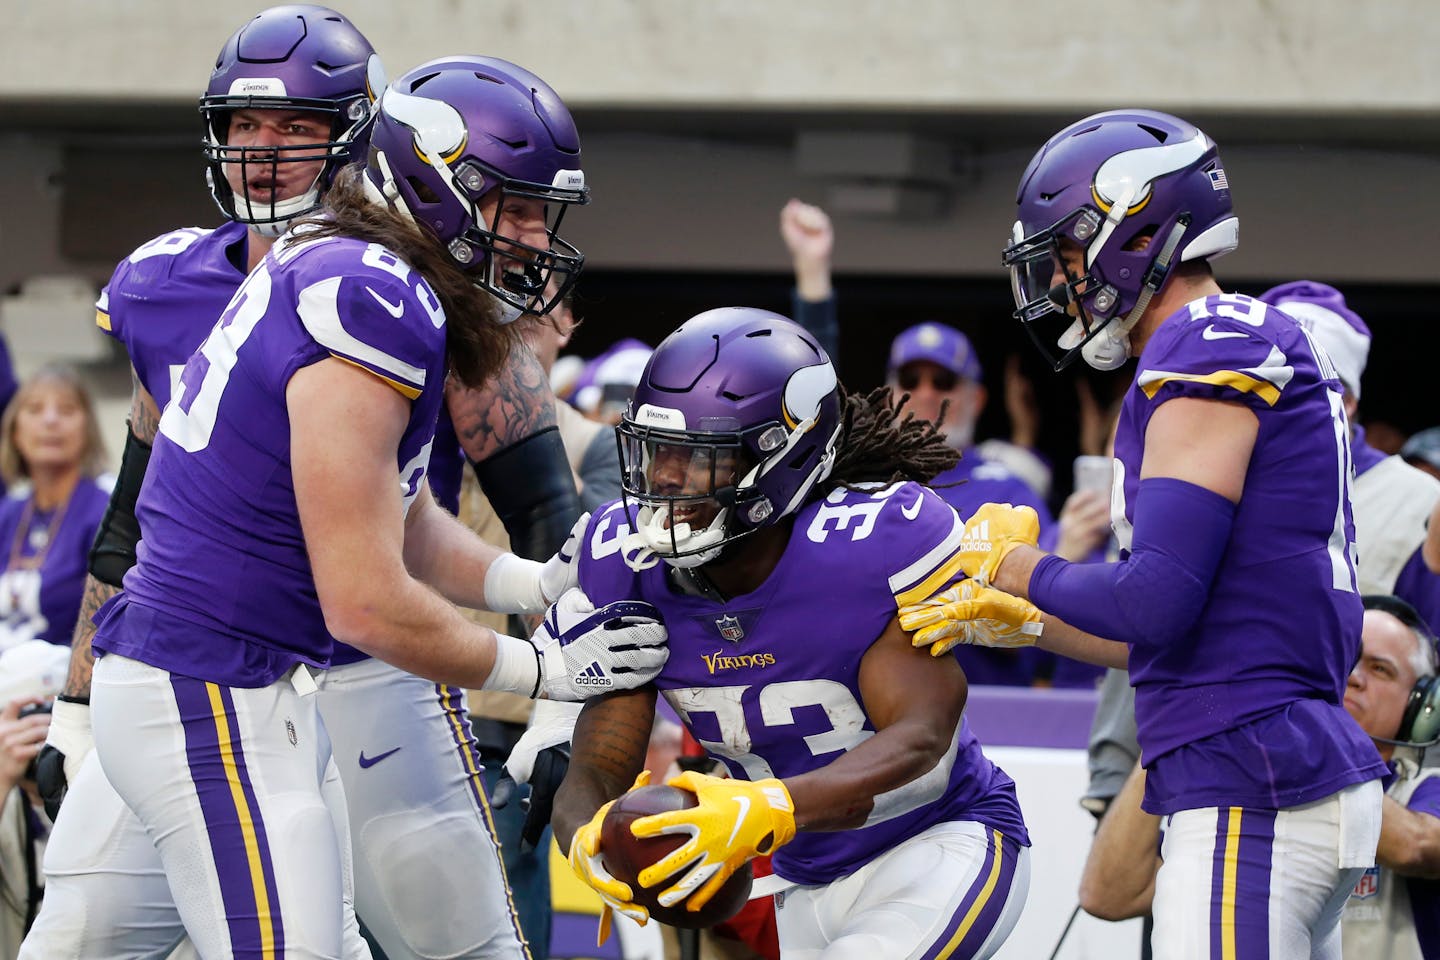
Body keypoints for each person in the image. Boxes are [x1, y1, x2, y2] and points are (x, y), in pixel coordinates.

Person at [34, 43, 668, 960]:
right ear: (433, 182)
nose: (533, 236)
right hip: (216, 681)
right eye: (514, 206)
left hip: (243, 679)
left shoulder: (349, 267)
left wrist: (530, 584)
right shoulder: (370, 293)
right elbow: (364, 599)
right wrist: (543, 675)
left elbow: (400, 515)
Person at [907, 108, 1388, 958]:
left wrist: (1015, 565)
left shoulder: (1203, 343)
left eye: (1064, 254)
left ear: (1134, 229)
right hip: (1263, 754)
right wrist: (1031, 620)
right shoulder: (1215, 345)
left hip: (1249, 767)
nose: (1057, 284)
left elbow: (1155, 599)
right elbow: (1173, 637)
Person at [554, 308, 1031, 959]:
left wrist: (765, 808)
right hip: (794, 880)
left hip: (932, 843)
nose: (664, 478)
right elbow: (598, 762)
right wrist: (590, 837)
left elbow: (920, 739)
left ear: (781, 458)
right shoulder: (628, 566)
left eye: (697, 457)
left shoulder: (864, 547)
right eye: (655, 450)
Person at [1078, 595, 1440, 959]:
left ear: (1422, 706)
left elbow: (1418, 846)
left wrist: (1288, 724)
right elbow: (1109, 894)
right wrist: (1175, 730)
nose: (1354, 677)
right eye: (1347, 660)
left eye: (1380, 669)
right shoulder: (1237, 777)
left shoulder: (1426, 786)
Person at [1258, 282, 1440, 635]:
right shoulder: (1213, 477)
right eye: (1263, 383)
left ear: (1347, 401)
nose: (1275, 401)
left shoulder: (1417, 499)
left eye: (1300, 386)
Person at [0, 366, 109, 651]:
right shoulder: (8, 513)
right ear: (14, 432)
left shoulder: (105, 514)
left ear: (88, 430)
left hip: (63, 681)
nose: (50, 421)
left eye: (67, 410)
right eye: (35, 410)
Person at [0, 641, 68, 958]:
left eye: (52, 712)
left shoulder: (117, 793)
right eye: (26, 716)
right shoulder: (7, 805)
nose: (40, 730)